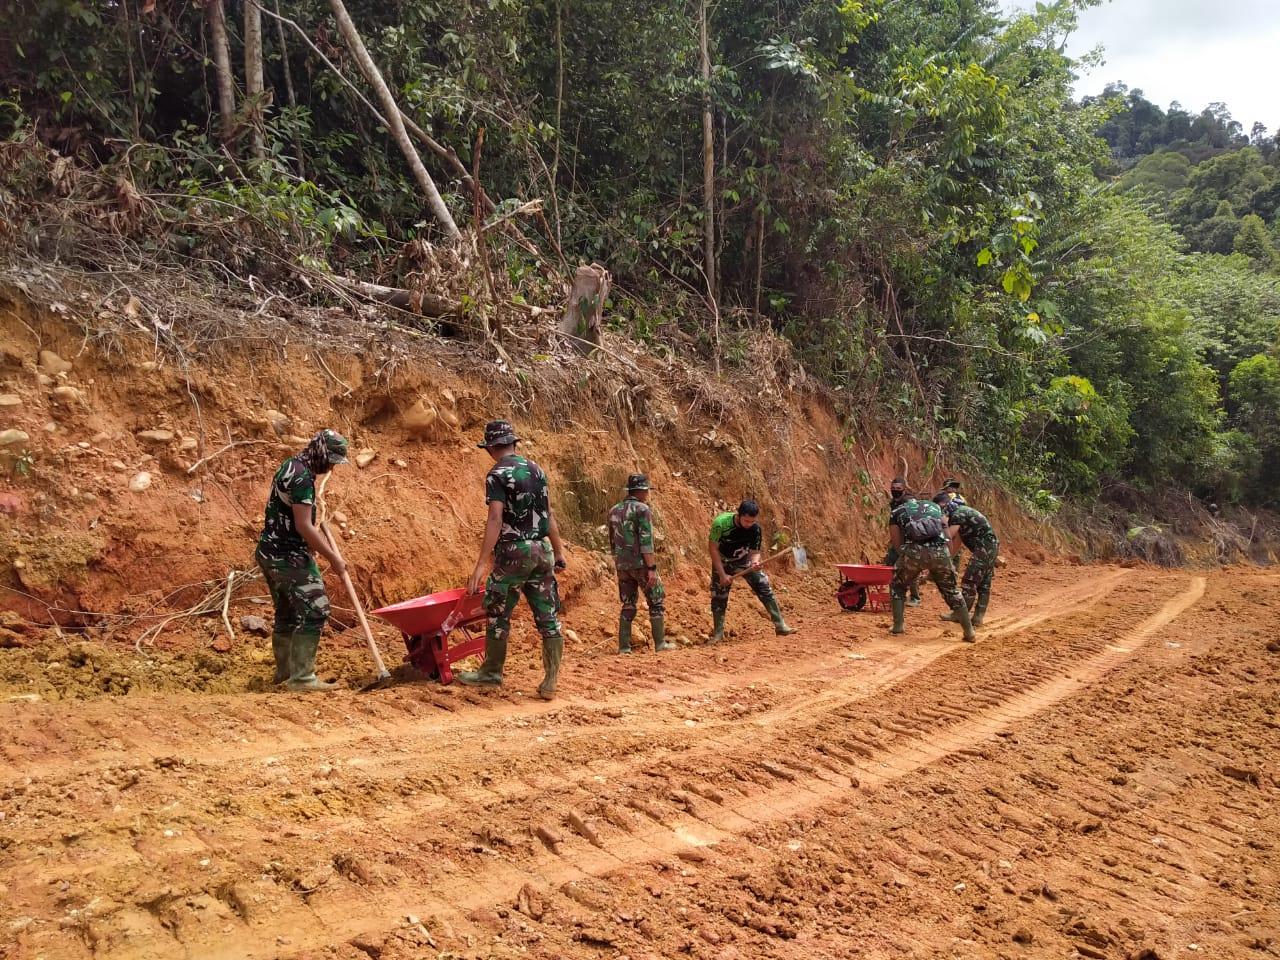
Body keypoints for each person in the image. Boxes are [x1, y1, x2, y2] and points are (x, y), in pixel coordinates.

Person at [460, 420, 567, 700]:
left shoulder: (497, 474)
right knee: (547, 615)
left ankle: (491, 672)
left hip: (513, 552)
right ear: (513, 443)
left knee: (498, 612)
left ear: (493, 447)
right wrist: (559, 551)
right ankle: (551, 680)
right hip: (541, 550)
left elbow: (495, 518)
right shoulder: (537, 470)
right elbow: (549, 515)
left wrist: (481, 565)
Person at [255, 429, 350, 692]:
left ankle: (285, 675)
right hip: (287, 557)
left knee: (287, 613)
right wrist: (333, 558)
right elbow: (304, 526)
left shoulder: (291, 465)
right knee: (316, 610)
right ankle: (303, 679)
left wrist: (311, 545)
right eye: (330, 460)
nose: (331, 466)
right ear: (320, 453)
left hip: (269, 552)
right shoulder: (302, 479)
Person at [887, 494, 976, 642]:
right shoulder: (934, 507)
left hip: (914, 552)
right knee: (951, 590)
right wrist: (947, 554)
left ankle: (898, 626)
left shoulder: (897, 512)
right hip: (940, 551)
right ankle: (969, 631)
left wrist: (904, 558)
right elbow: (946, 530)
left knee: (897, 585)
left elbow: (896, 542)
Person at [708, 500, 796, 644]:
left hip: (743, 561)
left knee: (763, 584)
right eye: (746, 521)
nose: (749, 524)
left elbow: (755, 552)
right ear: (738, 515)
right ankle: (718, 634)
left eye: (752, 521)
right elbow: (713, 549)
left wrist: (755, 562)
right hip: (722, 561)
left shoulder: (755, 529)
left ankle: (780, 625)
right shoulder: (721, 524)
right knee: (719, 595)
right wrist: (722, 575)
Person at [607, 474, 674, 654]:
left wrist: (619, 562)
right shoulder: (642, 509)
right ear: (642, 491)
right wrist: (651, 568)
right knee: (656, 600)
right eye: (646, 491)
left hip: (622, 565)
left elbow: (612, 541)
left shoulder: (613, 510)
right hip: (640, 563)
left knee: (628, 604)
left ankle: (624, 647)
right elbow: (646, 542)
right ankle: (660, 644)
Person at [934, 493, 1000, 627]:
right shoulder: (962, 514)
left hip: (984, 548)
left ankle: (960, 614)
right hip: (990, 547)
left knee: (969, 581)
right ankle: (977, 617)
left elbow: (948, 537)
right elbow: (956, 543)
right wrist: (947, 560)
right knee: (984, 583)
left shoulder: (959, 514)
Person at [883, 477, 921, 606]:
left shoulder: (910, 501)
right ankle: (895, 595)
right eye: (893, 489)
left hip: (911, 539)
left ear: (904, 489)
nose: (895, 491)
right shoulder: (893, 502)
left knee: (910, 568)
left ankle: (915, 597)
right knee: (890, 563)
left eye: (898, 489)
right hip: (899, 538)